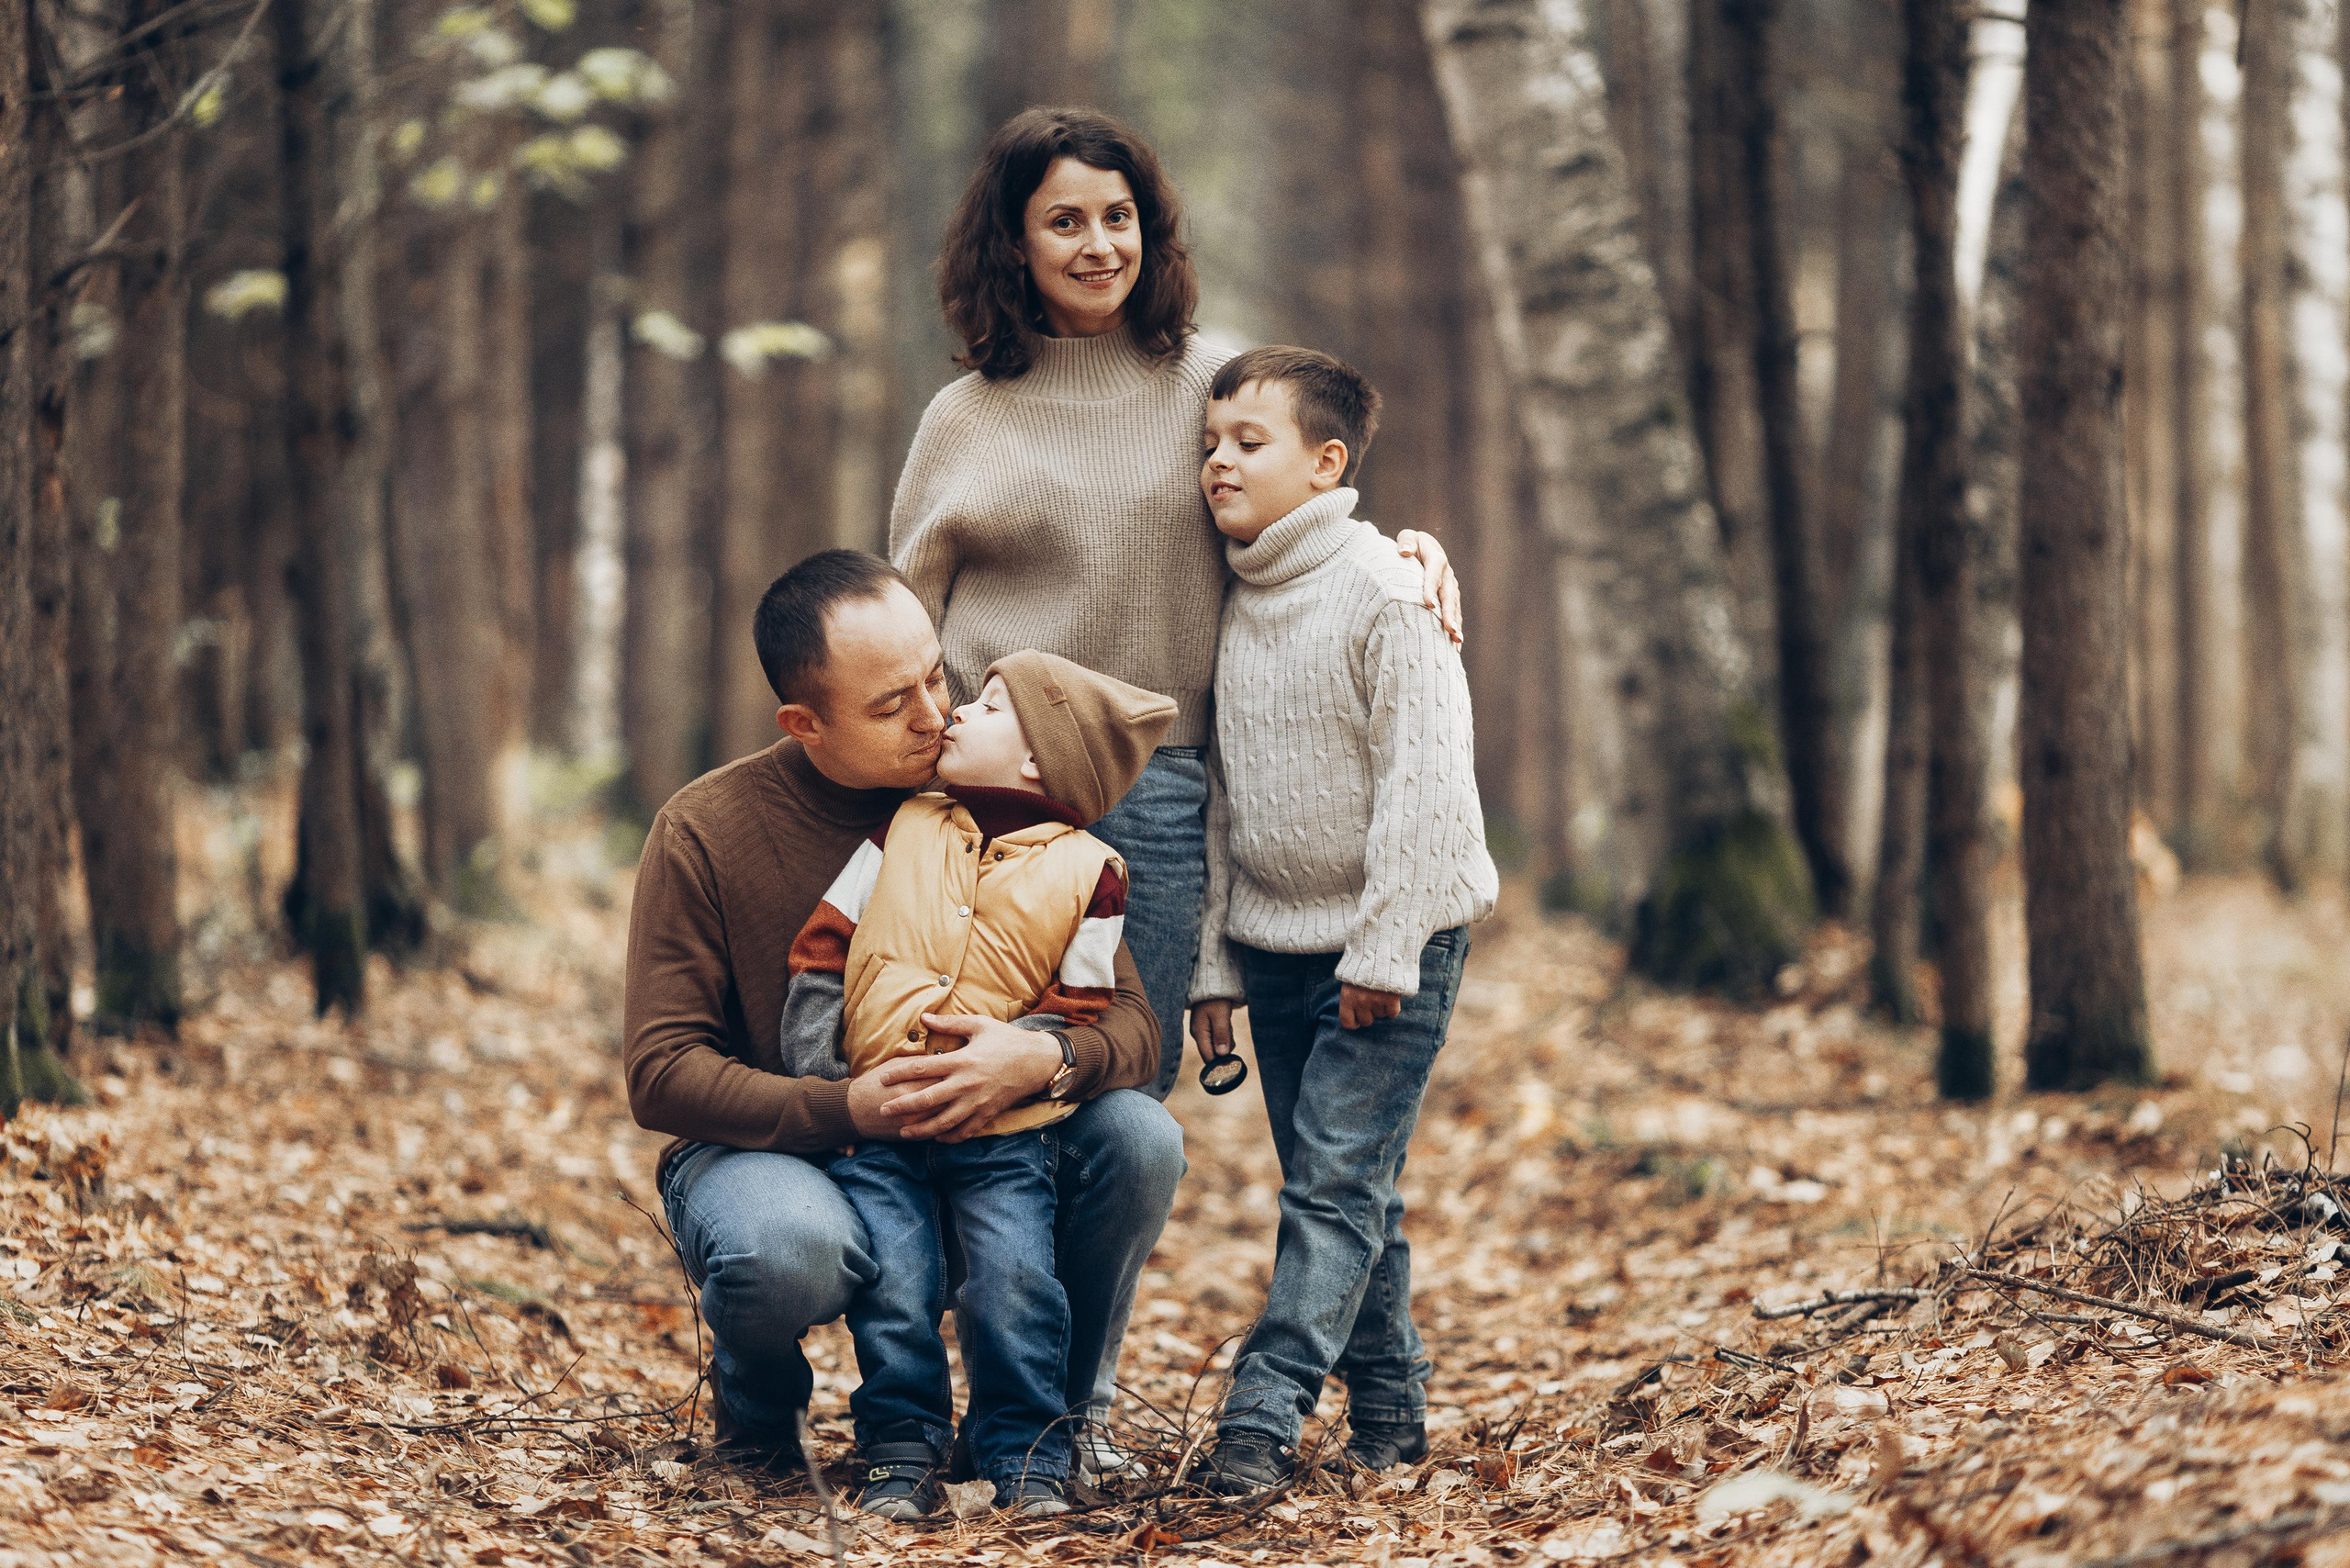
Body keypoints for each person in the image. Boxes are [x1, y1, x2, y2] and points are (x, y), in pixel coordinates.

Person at [622, 550, 1183, 1479]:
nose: (937, 715)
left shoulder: (994, 805)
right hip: (778, 1149)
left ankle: (1051, 1425)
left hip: (986, 1134)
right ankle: (760, 1422)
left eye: (938, 677)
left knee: (1142, 1136)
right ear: (805, 723)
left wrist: (1033, 1061)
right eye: (893, 704)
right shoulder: (705, 828)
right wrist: (847, 1108)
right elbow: (660, 1072)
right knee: (784, 1249)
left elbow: (1131, 1027)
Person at [1185, 348, 1498, 1494]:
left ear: (1327, 464)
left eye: (1248, 443)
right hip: (1270, 942)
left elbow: (1428, 788)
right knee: (1349, 1184)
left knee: (1329, 1185)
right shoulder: (1230, 591)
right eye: (1211, 442)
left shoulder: (1387, 591)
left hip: (1391, 940)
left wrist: (1385, 950)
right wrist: (1212, 960)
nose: (1218, 460)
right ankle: (1391, 1413)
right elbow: (1219, 792)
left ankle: (1258, 1422)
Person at [774, 650, 1175, 1518]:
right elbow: (823, 949)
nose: (954, 714)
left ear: (1038, 759)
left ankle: (1026, 1449)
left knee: (1014, 1284)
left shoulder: (1093, 874)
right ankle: (901, 1449)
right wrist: (828, 1081)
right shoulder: (900, 827)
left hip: (1006, 1137)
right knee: (896, 1288)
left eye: (987, 707)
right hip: (878, 1126)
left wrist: (1011, 1061)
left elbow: (1085, 1003)